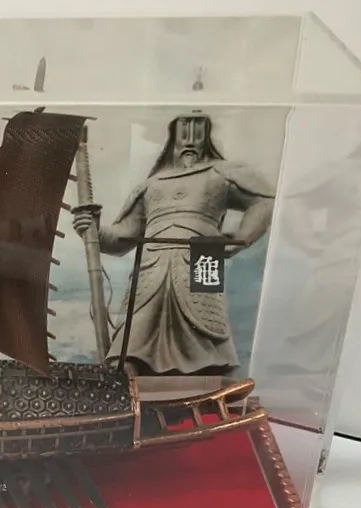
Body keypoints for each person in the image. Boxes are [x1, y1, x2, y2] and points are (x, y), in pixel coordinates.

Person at [72, 111, 275, 376]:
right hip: (152, 262)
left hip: (205, 255)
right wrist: (94, 230)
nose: (190, 136)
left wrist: (241, 238)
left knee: (210, 336)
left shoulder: (222, 173)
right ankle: (127, 380)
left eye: (198, 126)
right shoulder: (151, 185)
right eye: (184, 126)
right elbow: (122, 236)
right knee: (132, 340)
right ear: (172, 133)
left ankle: (210, 381)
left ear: (207, 132)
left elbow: (264, 200)